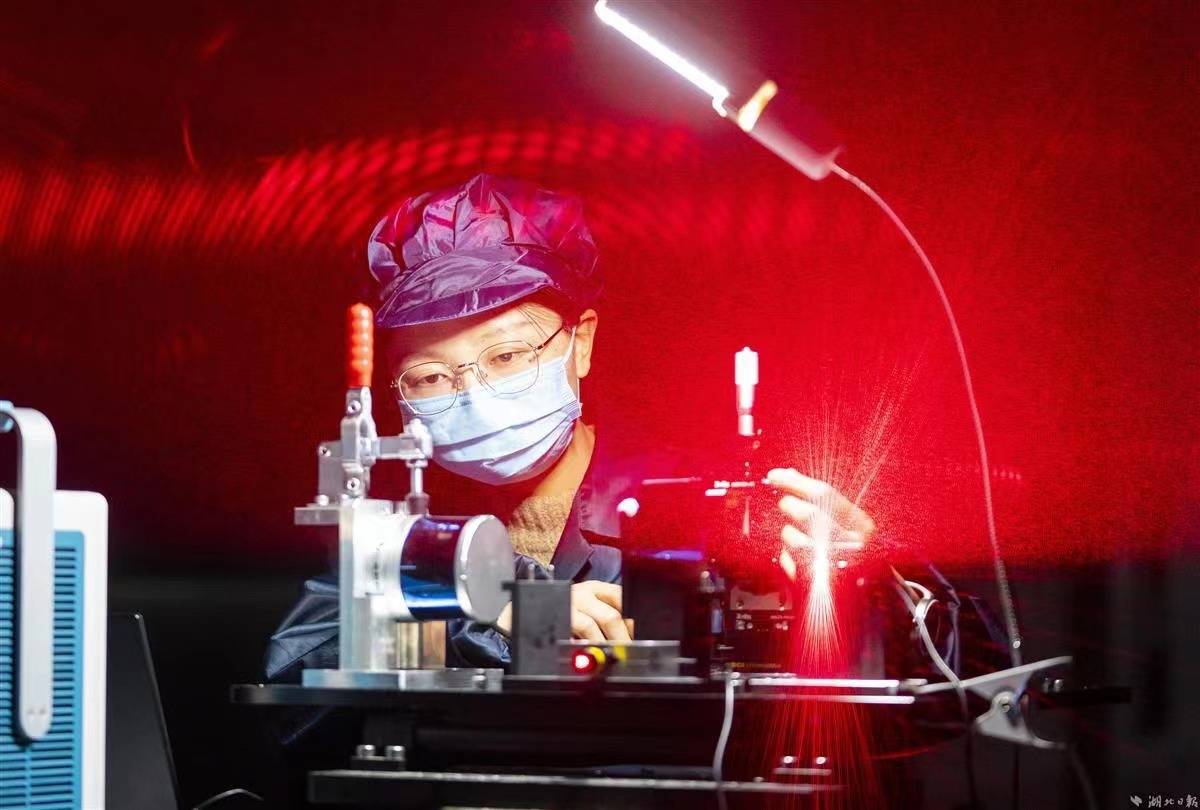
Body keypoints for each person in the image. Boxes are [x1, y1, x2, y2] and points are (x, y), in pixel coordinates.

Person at [265, 173, 883, 680]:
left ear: (580, 342)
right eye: (429, 376)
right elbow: (301, 669)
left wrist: (862, 592)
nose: (473, 394)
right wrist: (490, 620)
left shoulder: (701, 509)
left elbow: (826, 698)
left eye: (507, 356)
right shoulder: (402, 531)